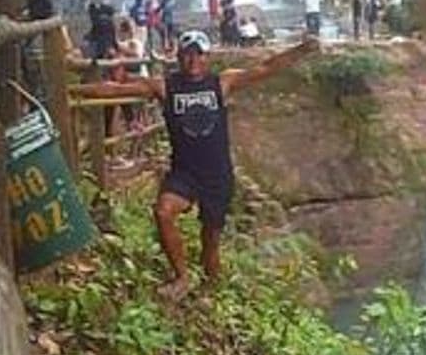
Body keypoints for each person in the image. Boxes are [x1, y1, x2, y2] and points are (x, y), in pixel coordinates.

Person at [71, 29, 320, 299]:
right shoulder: (166, 86)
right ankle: (182, 277)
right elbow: (116, 89)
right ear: (179, 57)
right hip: (185, 173)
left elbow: (265, 67)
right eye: (187, 55)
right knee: (163, 212)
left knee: (210, 242)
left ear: (207, 57)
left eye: (198, 54)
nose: (193, 61)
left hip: (218, 176)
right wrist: (72, 90)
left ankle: (212, 292)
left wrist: (301, 50)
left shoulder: (221, 83)